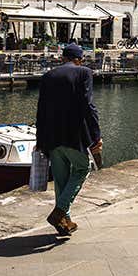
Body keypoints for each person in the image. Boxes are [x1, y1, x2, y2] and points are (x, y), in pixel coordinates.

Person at [35, 43, 102, 236]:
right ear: (79, 59)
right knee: (83, 168)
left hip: (51, 137)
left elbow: (40, 110)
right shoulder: (84, 73)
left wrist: (40, 138)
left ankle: (65, 222)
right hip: (74, 135)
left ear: (63, 58)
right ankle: (60, 211)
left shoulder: (48, 76)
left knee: (61, 181)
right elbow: (89, 106)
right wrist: (96, 135)